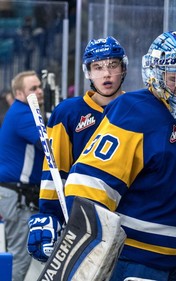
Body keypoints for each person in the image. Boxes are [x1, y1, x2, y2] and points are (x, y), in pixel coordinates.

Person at [29, 31, 176, 280]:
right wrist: (52, 214)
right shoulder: (133, 110)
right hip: (137, 261)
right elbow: (86, 184)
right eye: (175, 79)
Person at [26, 36, 128, 231]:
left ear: (123, 68)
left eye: (113, 65)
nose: (106, 74)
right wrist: (50, 216)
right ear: (88, 72)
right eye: (97, 67)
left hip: (129, 218)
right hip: (82, 218)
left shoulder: (138, 110)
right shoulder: (68, 112)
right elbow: (55, 170)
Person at [0, 71, 44, 281]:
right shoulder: (23, 115)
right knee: (20, 257)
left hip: (17, 194)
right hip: (18, 196)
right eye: (32, 89)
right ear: (19, 93)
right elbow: (49, 144)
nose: (39, 91)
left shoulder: (22, 112)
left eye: (39, 86)